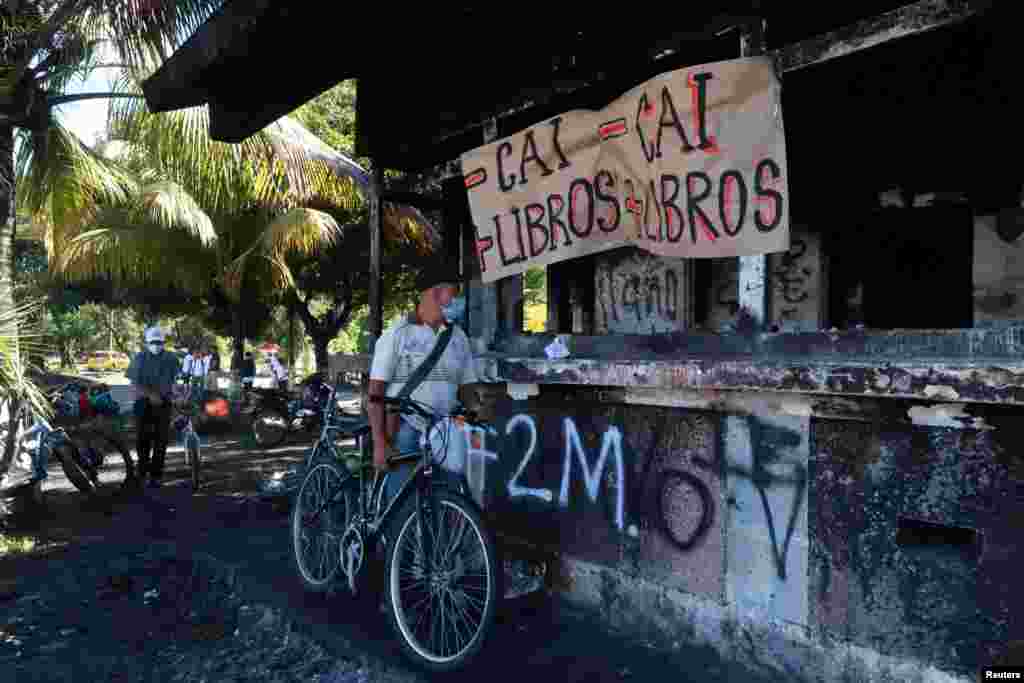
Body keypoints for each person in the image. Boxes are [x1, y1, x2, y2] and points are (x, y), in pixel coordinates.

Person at [367, 263, 477, 507]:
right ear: (436, 293)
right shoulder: (398, 334)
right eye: (454, 293)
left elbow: (467, 387)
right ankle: (398, 544)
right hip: (405, 429)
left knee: (450, 502)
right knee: (402, 505)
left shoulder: (458, 338)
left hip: (446, 432)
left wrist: (475, 415)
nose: (458, 299)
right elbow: (375, 393)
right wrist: (379, 442)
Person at [126, 326, 181, 488]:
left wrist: (178, 395)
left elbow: (174, 381)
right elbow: (134, 383)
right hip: (142, 402)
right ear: (147, 342)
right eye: (153, 342)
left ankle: (156, 475)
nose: (156, 345)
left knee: (161, 439)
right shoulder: (140, 358)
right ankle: (142, 471)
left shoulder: (171, 358)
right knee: (142, 438)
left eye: (159, 342)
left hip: (164, 402)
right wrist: (151, 395)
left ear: (163, 342)